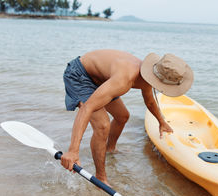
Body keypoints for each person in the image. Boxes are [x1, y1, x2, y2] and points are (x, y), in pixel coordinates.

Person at [61, 49, 194, 186]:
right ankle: (100, 177)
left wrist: (161, 122)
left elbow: (149, 101)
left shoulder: (149, 74)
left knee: (122, 116)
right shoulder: (124, 80)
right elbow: (87, 108)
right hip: (80, 75)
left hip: (101, 79)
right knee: (102, 126)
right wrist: (73, 151)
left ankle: (109, 149)